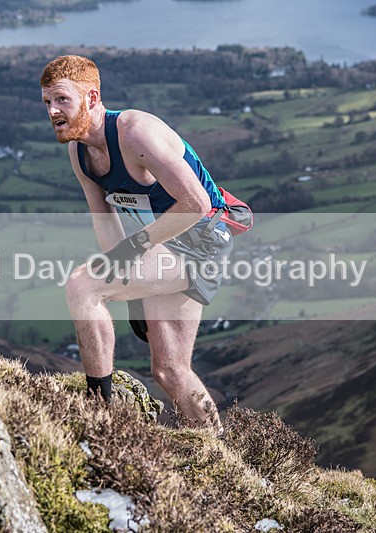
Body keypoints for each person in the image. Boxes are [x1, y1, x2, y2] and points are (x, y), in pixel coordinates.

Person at [40, 55, 233, 430]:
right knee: (170, 370)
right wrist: (130, 286)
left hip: (201, 238)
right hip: (164, 246)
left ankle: (100, 418)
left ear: (92, 98)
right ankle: (218, 449)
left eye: (62, 99)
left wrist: (133, 251)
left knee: (82, 285)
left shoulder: (134, 133)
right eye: (47, 102)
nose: (52, 111)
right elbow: (107, 225)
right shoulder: (79, 153)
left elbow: (197, 203)